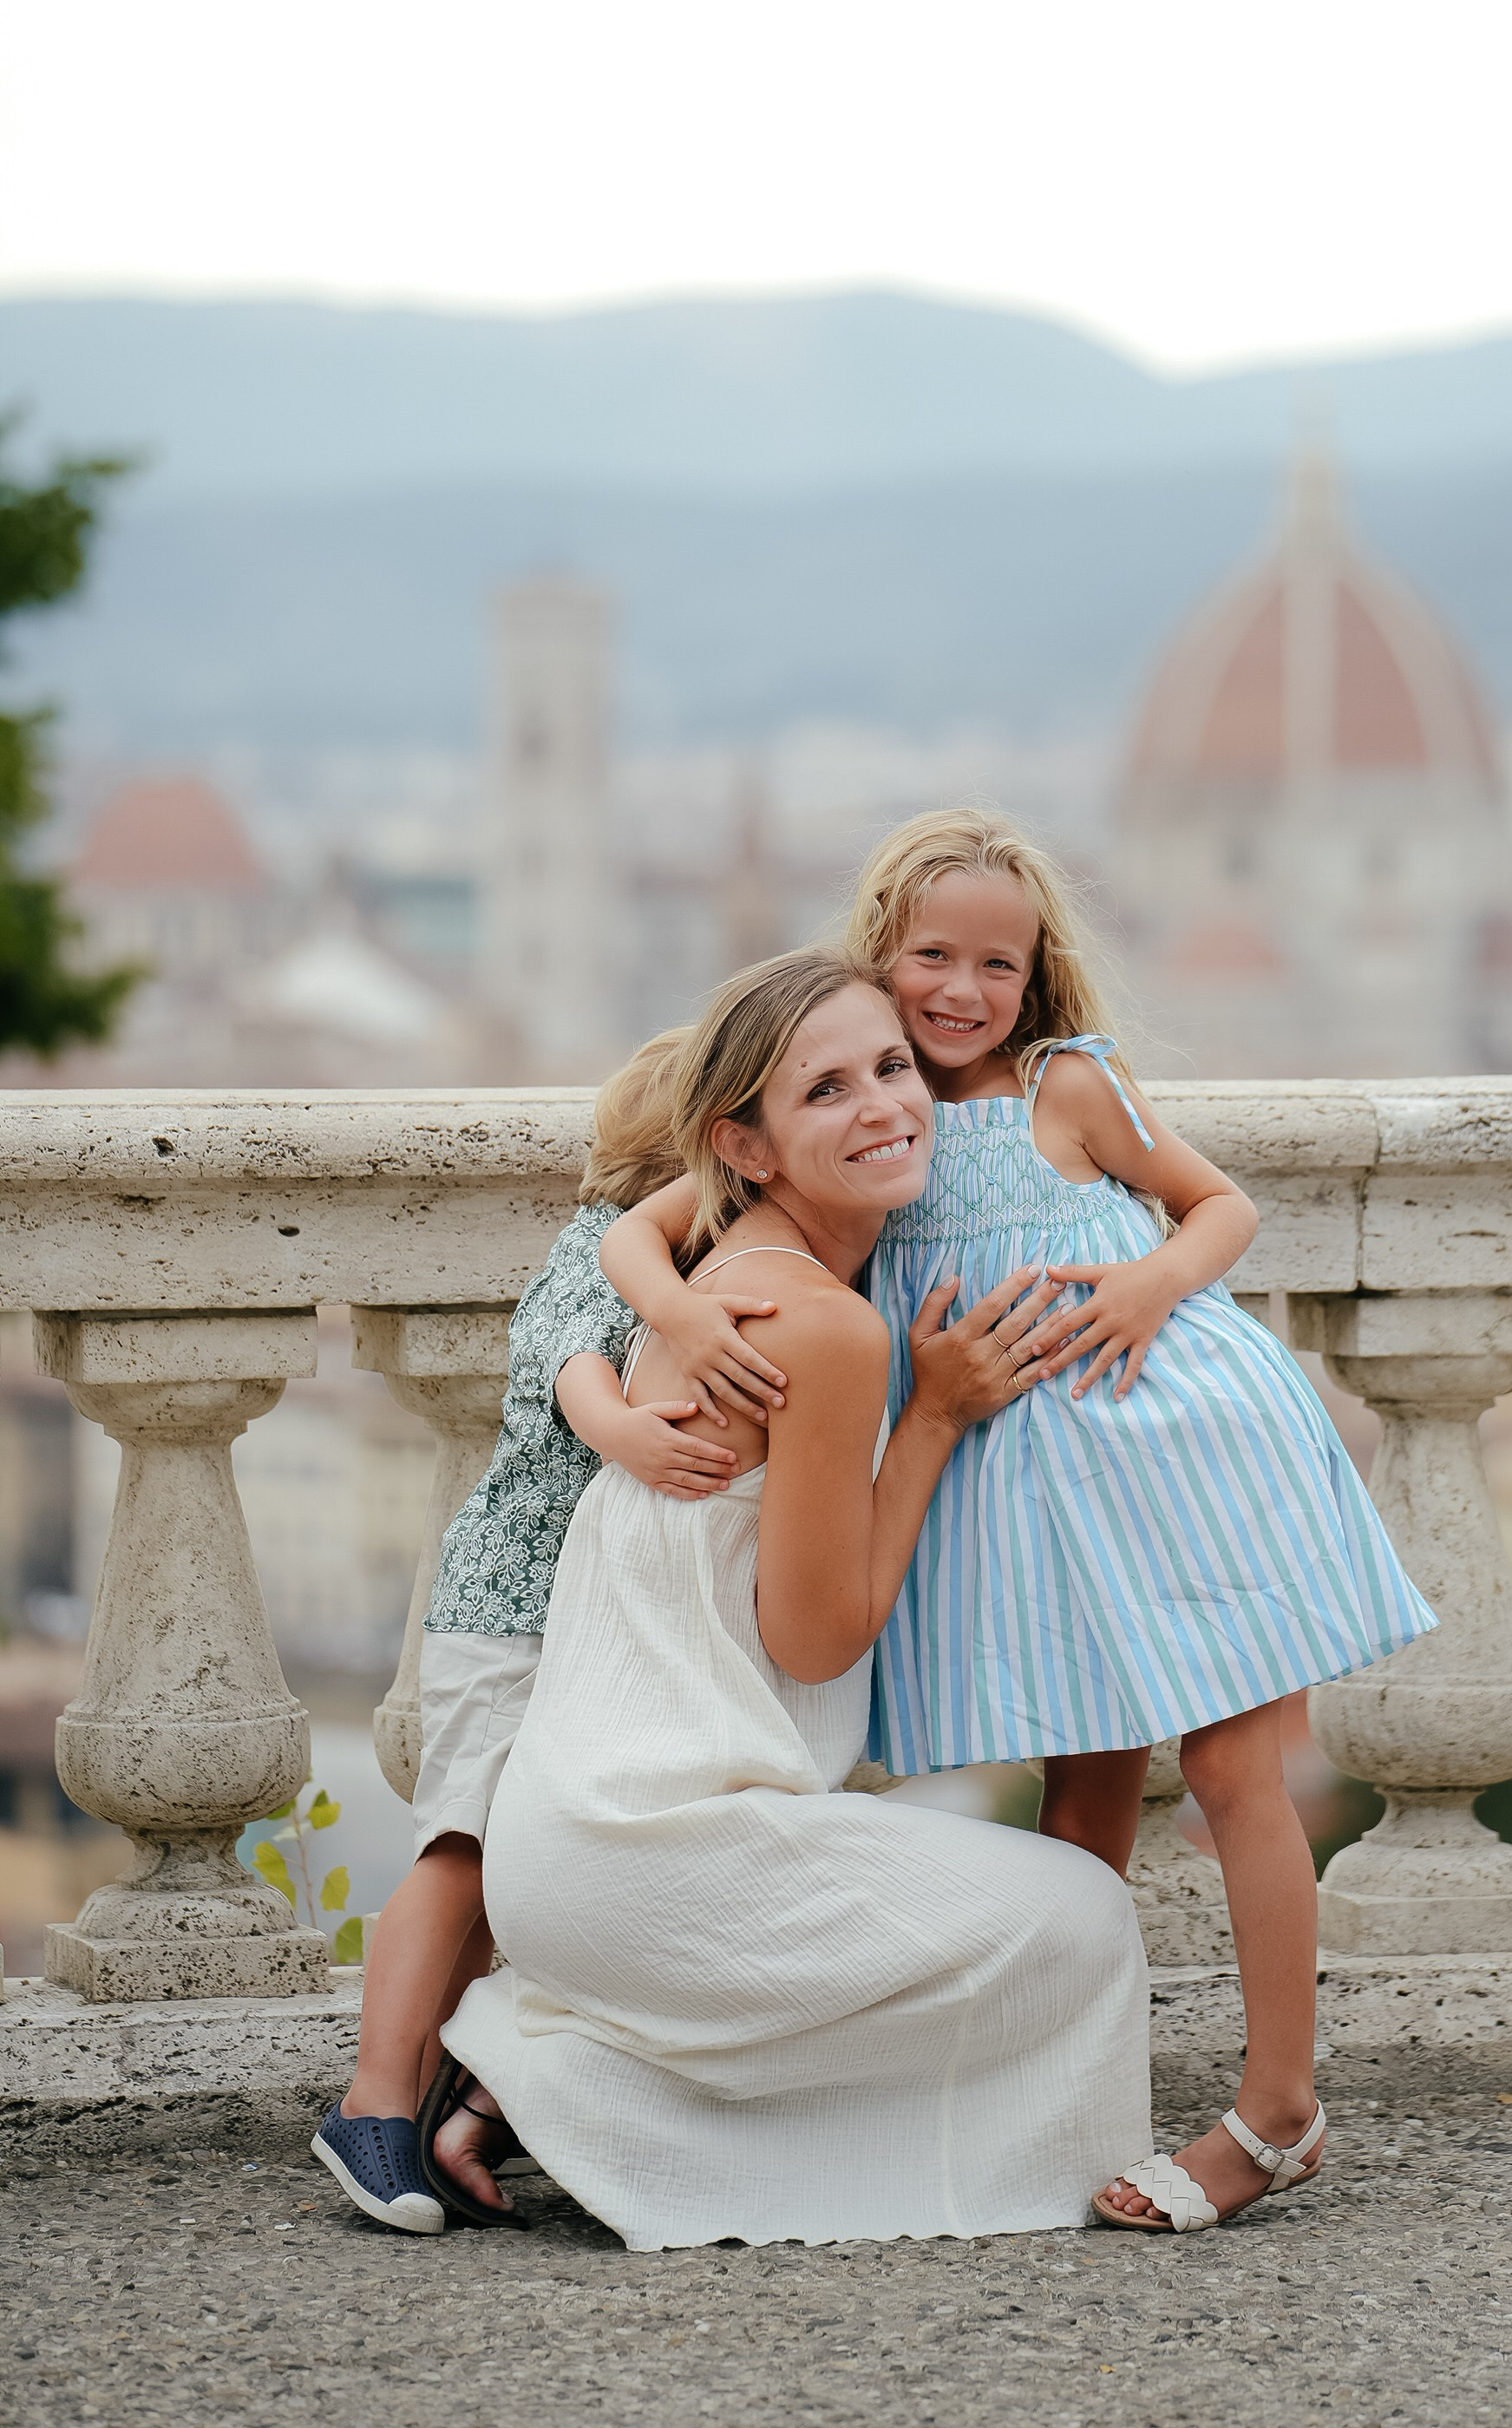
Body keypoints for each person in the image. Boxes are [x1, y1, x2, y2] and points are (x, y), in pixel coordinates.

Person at [601, 809, 1437, 2235]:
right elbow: (647, 1228)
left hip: (1171, 1442)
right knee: (1084, 1795)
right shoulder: (865, 1094)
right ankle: (1067, 2086)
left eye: (999, 960)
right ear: (882, 951)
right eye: (933, 954)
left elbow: (1219, 1204)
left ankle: (1280, 2109)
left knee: (1241, 1774)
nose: (963, 989)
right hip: (1040, 1499)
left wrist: (1147, 1287)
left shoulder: (1067, 1085)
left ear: (1037, 970)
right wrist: (678, 1311)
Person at [442, 947, 1152, 2250]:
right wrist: (935, 1413)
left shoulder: (725, 1260)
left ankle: (552, 2072)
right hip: (653, 1858)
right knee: (1088, 1918)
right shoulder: (825, 1326)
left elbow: (641, 1230)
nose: (884, 1106)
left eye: (893, 1068)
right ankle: (572, 2081)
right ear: (746, 1144)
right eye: (826, 1090)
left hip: (569, 1850)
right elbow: (817, 1642)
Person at [311, 1022, 810, 2233]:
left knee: (525, 1871)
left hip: (576, 1620)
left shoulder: (680, 1261)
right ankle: (373, 2103)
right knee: (463, 1852)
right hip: (514, 1613)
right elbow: (565, 1365)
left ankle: (438, 2105)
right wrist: (624, 1432)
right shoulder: (601, 1251)